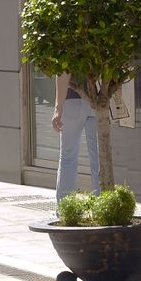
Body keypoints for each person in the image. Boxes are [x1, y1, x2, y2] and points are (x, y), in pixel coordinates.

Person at [52, 72, 99, 202]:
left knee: (68, 158)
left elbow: (63, 72)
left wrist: (58, 108)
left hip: (72, 101)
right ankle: (103, 207)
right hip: (99, 100)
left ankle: (65, 208)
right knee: (99, 159)